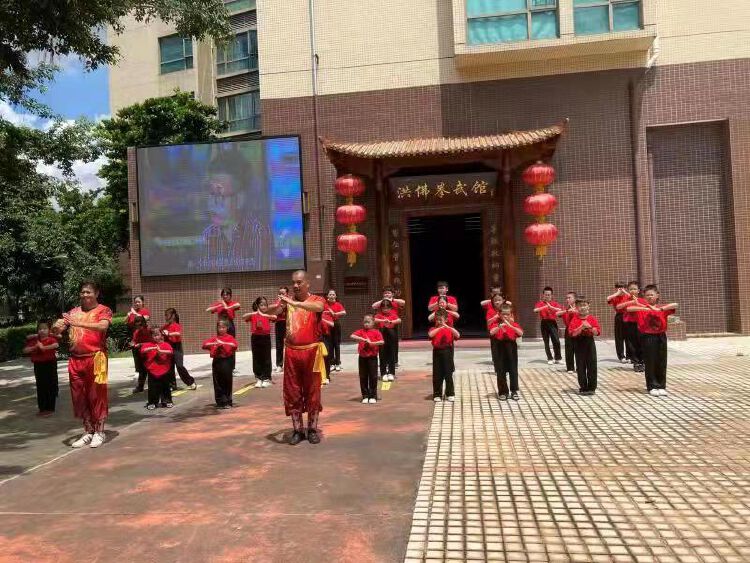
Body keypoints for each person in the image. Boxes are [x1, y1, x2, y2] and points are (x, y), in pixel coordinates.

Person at [267, 270, 326, 445]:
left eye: (299, 282)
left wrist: (292, 302)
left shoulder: (317, 300)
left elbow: (319, 308)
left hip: (312, 352)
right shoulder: (287, 302)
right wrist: (278, 304)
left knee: (313, 391)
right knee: (292, 391)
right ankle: (297, 430)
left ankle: (312, 429)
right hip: (292, 352)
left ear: (308, 283)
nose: (295, 285)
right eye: (293, 282)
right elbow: (268, 311)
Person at [52, 281, 112, 449]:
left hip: (96, 357)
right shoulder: (73, 312)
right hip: (75, 359)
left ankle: (100, 431)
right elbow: (57, 331)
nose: (85, 295)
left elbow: (102, 327)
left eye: (88, 292)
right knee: (79, 397)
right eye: (82, 292)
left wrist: (76, 323)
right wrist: (56, 327)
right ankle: (88, 431)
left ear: (96, 293)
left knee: (96, 395)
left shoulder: (103, 310)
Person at [627, 285, 678, 397]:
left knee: (661, 361)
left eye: (652, 294)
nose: (649, 297)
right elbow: (629, 309)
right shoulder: (642, 309)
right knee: (650, 362)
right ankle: (652, 386)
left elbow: (675, 305)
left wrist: (660, 309)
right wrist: (646, 308)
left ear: (657, 295)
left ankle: (661, 386)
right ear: (644, 297)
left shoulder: (661, 307)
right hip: (647, 337)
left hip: (661, 336)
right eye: (647, 295)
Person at [22, 321, 60, 416]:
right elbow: (25, 350)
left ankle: (50, 408)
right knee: (41, 386)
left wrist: (43, 347)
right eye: (40, 329)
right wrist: (35, 347)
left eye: (45, 328)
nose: (42, 331)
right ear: (37, 330)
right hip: (38, 366)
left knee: (51, 384)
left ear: (49, 330)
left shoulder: (51, 339)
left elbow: (56, 345)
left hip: (50, 364)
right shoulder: (34, 340)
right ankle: (42, 408)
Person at [489, 300, 523, 401]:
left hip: (511, 348)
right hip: (499, 348)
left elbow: (520, 333)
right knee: (501, 371)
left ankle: (514, 391)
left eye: (507, 314)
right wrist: (500, 326)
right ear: (499, 314)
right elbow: (491, 332)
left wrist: (511, 326)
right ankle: (503, 391)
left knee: (513, 370)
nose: (505, 317)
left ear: (511, 314)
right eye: (503, 314)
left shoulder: (514, 324)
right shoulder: (496, 324)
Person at [202, 320, 238, 409]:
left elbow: (234, 345)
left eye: (223, 327)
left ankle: (228, 400)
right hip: (217, 361)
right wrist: (215, 343)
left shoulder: (230, 337)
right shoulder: (215, 338)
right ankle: (220, 400)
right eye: (219, 327)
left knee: (227, 380)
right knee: (217, 381)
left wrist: (223, 344)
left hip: (227, 361)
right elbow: (204, 345)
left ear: (227, 328)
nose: (221, 329)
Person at [568, 297, 601, 396]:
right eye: (580, 306)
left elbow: (597, 332)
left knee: (592, 365)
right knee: (580, 366)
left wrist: (590, 327)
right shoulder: (575, 319)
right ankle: (583, 387)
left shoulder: (592, 318)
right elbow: (572, 334)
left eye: (584, 305)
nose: (582, 307)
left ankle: (592, 387)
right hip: (579, 343)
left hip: (590, 343)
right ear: (576, 308)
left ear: (588, 306)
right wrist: (581, 327)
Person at [243, 297, 276, 388]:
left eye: (265, 305)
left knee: (266, 357)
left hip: (265, 338)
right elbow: (244, 317)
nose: (264, 307)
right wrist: (255, 313)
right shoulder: (254, 315)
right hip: (255, 337)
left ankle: (266, 378)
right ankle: (258, 378)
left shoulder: (268, 315)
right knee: (257, 358)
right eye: (261, 305)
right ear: (257, 306)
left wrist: (265, 315)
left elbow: (275, 317)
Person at [350, 315, 384, 404]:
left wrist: (372, 343)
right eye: (365, 322)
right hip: (362, 357)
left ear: (373, 323)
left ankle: (373, 395)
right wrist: (361, 339)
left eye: (368, 322)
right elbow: (352, 336)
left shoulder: (376, 332)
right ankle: (365, 395)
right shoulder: (361, 332)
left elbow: (382, 342)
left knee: (373, 376)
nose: (366, 324)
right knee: (363, 376)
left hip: (372, 357)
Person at [161, 308, 197, 391]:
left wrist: (168, 333)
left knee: (179, 366)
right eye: (165, 315)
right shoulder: (165, 326)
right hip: (168, 348)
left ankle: (190, 382)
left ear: (172, 315)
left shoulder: (176, 325)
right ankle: (172, 385)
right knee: (169, 367)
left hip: (176, 347)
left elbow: (178, 333)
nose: (165, 317)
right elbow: (159, 332)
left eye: (167, 315)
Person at [429, 308, 460, 403]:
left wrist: (448, 327)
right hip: (437, 352)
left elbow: (457, 335)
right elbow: (430, 335)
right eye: (437, 319)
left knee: (448, 373)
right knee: (437, 374)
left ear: (446, 319)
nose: (439, 321)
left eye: (441, 319)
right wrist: (440, 328)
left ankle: (450, 393)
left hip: (447, 351)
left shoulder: (450, 329)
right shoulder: (434, 328)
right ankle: (437, 394)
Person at [140, 328, 174, 410]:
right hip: (152, 369)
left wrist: (161, 351)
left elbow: (170, 352)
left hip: (164, 368)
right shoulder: (148, 344)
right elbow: (143, 350)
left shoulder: (166, 344)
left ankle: (167, 401)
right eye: (154, 335)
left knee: (165, 386)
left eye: (157, 335)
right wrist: (152, 348)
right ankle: (152, 402)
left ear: (161, 335)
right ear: (151, 336)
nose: (156, 337)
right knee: (153, 387)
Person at [616, 281, 647, 373]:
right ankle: (636, 362)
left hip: (641, 325)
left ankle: (642, 362)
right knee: (632, 344)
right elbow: (619, 307)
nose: (632, 291)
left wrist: (638, 303)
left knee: (641, 343)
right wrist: (631, 302)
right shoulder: (626, 299)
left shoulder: (641, 300)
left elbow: (647, 307)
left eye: (634, 289)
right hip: (629, 325)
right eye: (630, 289)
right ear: (628, 291)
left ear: (638, 290)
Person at [372, 286, 406, 367]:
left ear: (392, 294)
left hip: (393, 323)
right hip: (382, 325)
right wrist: (383, 300)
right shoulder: (382, 302)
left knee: (393, 343)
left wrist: (392, 299)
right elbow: (373, 306)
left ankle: (394, 361)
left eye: (389, 293)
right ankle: (384, 361)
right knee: (383, 344)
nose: (387, 294)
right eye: (385, 293)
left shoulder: (395, 301)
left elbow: (403, 302)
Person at [533, 286, 562, 365]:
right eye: (546, 294)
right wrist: (544, 306)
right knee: (546, 341)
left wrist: (551, 307)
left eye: (549, 295)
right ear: (543, 295)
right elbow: (535, 310)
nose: (547, 296)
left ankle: (558, 358)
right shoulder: (540, 303)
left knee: (556, 341)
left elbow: (560, 310)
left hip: (553, 322)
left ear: (552, 295)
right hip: (544, 323)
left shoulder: (554, 303)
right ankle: (549, 358)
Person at [374, 299, 401, 381]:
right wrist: (383, 320)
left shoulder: (393, 314)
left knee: (391, 355)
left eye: (387, 308)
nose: (385, 310)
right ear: (381, 309)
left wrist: (391, 321)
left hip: (391, 337)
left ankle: (391, 373)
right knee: (382, 355)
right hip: (382, 337)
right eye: (384, 308)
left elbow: (399, 320)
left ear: (390, 308)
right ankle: (383, 373)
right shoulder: (379, 315)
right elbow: (374, 320)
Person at [126, 295, 150, 376]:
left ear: (142, 303)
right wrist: (128, 316)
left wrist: (134, 313)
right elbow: (127, 323)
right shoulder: (132, 313)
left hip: (143, 339)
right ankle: (141, 383)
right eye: (135, 302)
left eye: (138, 302)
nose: (136, 303)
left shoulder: (144, 311)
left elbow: (145, 318)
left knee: (145, 360)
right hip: (134, 338)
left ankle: (150, 380)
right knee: (138, 362)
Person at [606, 283, 630, 363]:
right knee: (619, 337)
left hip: (628, 315)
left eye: (622, 287)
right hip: (619, 316)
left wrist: (625, 292)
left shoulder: (627, 296)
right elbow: (608, 298)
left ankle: (629, 356)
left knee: (628, 337)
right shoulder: (615, 297)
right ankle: (621, 356)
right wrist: (617, 293)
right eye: (618, 288)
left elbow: (634, 298)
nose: (621, 289)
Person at [556, 291, 578, 374]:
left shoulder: (579, 308)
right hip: (568, 330)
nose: (567, 299)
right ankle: (570, 368)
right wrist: (567, 311)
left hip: (578, 330)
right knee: (569, 349)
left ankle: (580, 367)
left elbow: (583, 314)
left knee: (578, 350)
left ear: (575, 299)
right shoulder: (566, 309)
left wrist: (575, 311)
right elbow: (557, 313)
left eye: (569, 297)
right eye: (566, 298)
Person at [129, 316, 151, 393]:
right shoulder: (136, 332)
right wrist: (132, 343)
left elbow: (151, 342)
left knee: (150, 370)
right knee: (142, 371)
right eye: (137, 324)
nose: (138, 326)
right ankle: (140, 386)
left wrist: (140, 344)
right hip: (139, 353)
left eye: (140, 324)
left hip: (148, 353)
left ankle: (152, 385)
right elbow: (134, 340)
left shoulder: (148, 330)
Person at [325, 290, 346, 372]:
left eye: (333, 294)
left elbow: (344, 312)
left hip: (336, 324)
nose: (331, 296)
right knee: (330, 345)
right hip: (327, 324)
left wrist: (335, 314)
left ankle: (338, 363)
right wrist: (328, 313)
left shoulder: (338, 304)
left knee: (336, 345)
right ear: (327, 296)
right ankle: (331, 363)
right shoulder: (325, 304)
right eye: (330, 294)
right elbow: (322, 312)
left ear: (335, 296)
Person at [273, 286, 289, 373]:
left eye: (283, 293)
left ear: (287, 294)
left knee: (289, 345)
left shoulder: (290, 301)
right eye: (280, 293)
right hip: (279, 323)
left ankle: (290, 364)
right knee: (279, 345)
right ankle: (279, 364)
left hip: (288, 323)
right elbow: (277, 312)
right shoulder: (277, 302)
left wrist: (285, 303)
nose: (281, 295)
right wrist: (279, 302)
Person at [320, 303, 335, 384]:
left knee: (326, 356)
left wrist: (323, 319)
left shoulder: (326, 315)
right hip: (316, 337)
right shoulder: (313, 315)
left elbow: (332, 324)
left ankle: (326, 376)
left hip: (325, 337)